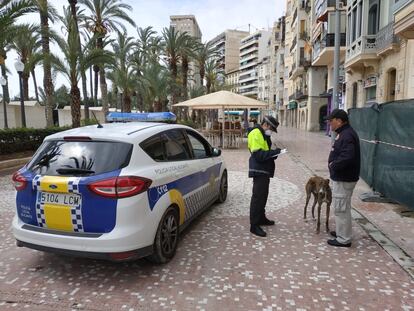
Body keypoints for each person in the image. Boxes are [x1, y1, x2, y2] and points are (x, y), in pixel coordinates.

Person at [327, 109, 361, 247]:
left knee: (341, 208)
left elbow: (348, 156)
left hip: (344, 178)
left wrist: (334, 165)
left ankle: (344, 239)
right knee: (343, 207)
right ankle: (342, 232)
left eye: (331, 121)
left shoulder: (346, 135)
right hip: (343, 177)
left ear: (339, 121)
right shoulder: (344, 133)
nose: (330, 124)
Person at [248, 115, 281, 237]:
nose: (271, 131)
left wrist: (275, 153)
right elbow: (259, 155)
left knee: (263, 195)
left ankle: (261, 218)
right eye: (271, 129)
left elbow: (266, 151)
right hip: (259, 169)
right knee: (257, 197)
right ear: (265, 125)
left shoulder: (264, 135)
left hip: (264, 169)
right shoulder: (256, 133)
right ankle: (254, 225)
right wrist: (273, 153)